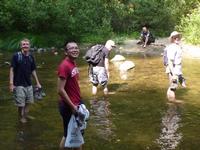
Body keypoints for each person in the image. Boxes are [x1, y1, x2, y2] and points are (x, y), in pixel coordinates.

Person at [57, 42, 83, 150]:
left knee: (77, 132)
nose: (75, 50)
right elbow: (60, 90)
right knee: (67, 134)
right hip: (69, 106)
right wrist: (73, 107)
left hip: (76, 102)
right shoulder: (64, 66)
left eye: (76, 48)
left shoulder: (73, 63)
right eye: (71, 48)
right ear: (66, 52)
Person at [9, 38, 41, 123]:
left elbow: (33, 70)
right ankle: (21, 117)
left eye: (27, 44)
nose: (25, 46)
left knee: (29, 102)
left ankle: (25, 115)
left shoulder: (31, 57)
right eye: (24, 44)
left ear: (29, 46)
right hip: (18, 84)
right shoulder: (16, 56)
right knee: (21, 104)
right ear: (21, 46)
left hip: (29, 84)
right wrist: (11, 84)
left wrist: (37, 83)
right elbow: (12, 69)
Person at [164, 31, 186, 102]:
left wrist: (180, 75)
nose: (177, 38)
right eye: (175, 37)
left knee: (174, 86)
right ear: (172, 39)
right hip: (172, 69)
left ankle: (171, 102)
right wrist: (173, 74)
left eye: (178, 37)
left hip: (176, 69)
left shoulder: (177, 46)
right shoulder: (172, 47)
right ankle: (172, 102)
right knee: (172, 87)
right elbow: (170, 62)